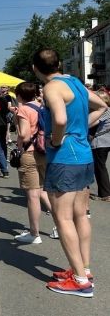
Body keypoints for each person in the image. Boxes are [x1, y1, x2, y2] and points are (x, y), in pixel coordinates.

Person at [33, 48, 107, 297]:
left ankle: (80, 281)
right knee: (81, 216)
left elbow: (61, 120)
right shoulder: (74, 82)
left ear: (36, 68)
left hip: (65, 159)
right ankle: (83, 270)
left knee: (62, 218)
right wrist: (81, 128)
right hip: (83, 155)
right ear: (58, 64)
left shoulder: (51, 88)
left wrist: (55, 140)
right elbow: (102, 106)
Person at [13, 82, 54, 244]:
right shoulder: (43, 106)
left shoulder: (24, 109)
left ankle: (34, 233)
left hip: (30, 153)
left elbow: (24, 134)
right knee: (44, 191)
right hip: (44, 151)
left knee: (32, 196)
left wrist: (19, 143)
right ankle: (60, 225)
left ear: (20, 95)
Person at [90, 90, 110, 201]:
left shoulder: (104, 111)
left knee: (100, 167)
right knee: (100, 166)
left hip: (100, 143)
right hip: (106, 142)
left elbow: (92, 123)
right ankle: (105, 193)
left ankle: (106, 194)